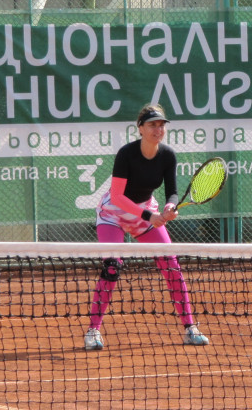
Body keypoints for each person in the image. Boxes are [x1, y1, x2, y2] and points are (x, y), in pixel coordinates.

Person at [84, 103, 210, 350]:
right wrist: (147, 215)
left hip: (146, 213)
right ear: (140, 128)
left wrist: (169, 208)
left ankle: (190, 328)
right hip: (114, 213)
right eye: (152, 124)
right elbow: (118, 197)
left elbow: (172, 193)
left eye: (162, 125)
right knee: (112, 268)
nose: (158, 129)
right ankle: (93, 331)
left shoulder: (167, 155)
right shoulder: (126, 154)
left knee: (171, 266)